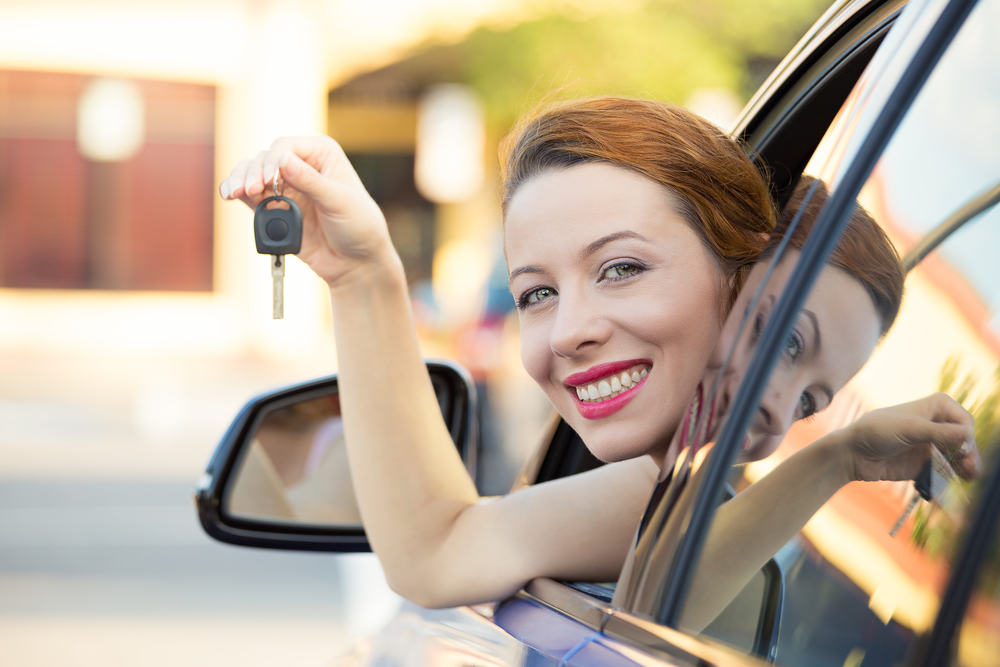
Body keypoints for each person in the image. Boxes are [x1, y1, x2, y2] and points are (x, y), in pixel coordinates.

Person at [219, 97, 979, 609]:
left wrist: (836, 458)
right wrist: (361, 274)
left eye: (620, 268)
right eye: (536, 294)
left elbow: (440, 551)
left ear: (734, 275)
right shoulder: (654, 490)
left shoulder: (682, 494)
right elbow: (437, 553)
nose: (568, 331)